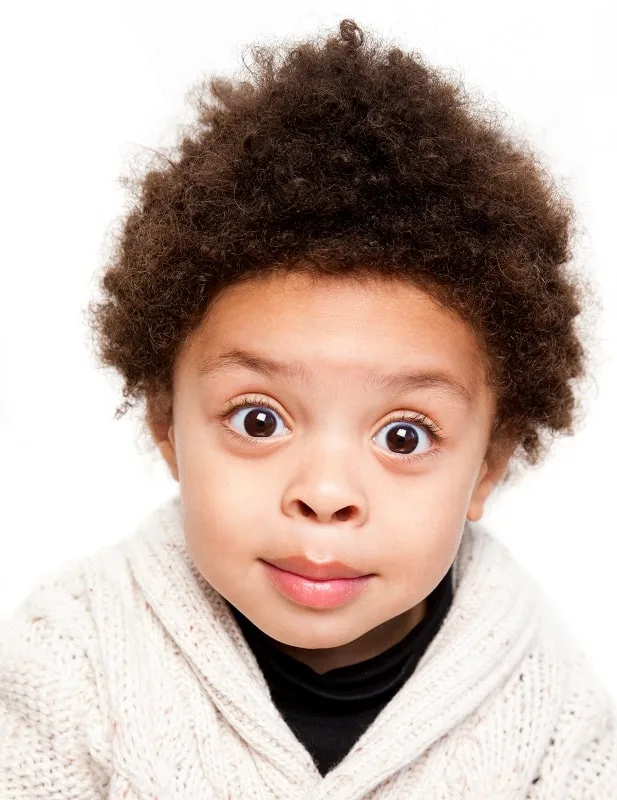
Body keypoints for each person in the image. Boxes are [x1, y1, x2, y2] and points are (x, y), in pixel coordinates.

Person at [1, 17, 615, 798]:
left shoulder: (552, 714)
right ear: (166, 427)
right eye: (258, 420)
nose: (324, 494)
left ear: (488, 465)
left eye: (402, 435)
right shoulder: (66, 663)